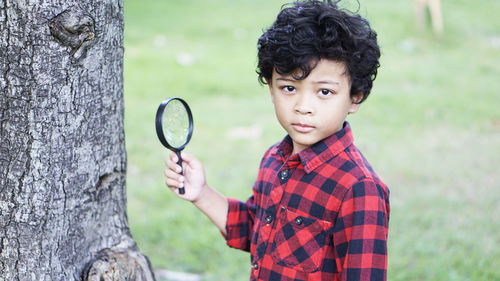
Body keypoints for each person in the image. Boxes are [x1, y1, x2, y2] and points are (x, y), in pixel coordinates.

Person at [164, 1, 390, 280]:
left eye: (325, 92)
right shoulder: (275, 158)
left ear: (355, 97)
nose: (303, 106)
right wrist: (202, 193)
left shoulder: (359, 189)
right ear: (271, 88)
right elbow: (258, 232)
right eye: (289, 88)